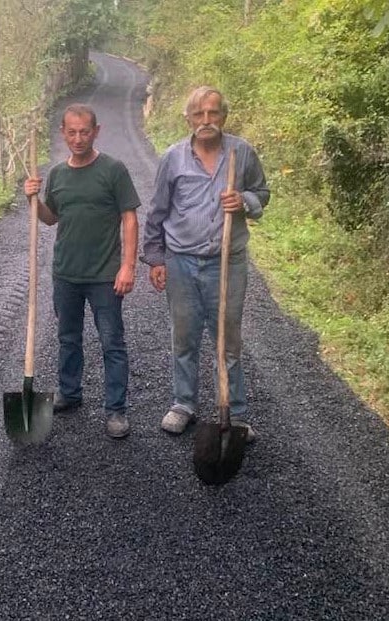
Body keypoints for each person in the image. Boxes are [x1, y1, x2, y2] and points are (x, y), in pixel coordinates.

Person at [142, 86, 270, 441]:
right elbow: (157, 211)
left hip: (227, 263)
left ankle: (236, 414)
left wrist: (243, 200)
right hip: (181, 261)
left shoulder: (241, 153)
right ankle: (183, 404)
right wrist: (155, 257)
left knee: (227, 340)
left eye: (213, 113)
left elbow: (263, 193)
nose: (206, 121)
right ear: (188, 119)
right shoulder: (173, 158)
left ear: (224, 116)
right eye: (199, 115)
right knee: (183, 337)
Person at [23, 104, 140, 438]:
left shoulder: (113, 170)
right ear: (63, 132)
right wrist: (34, 199)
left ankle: (116, 410)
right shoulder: (58, 174)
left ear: (96, 131)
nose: (78, 138)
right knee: (68, 338)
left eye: (84, 132)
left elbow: (130, 219)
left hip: (105, 275)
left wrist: (128, 266)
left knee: (111, 342)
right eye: (71, 132)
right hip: (66, 274)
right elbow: (50, 218)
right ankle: (70, 393)